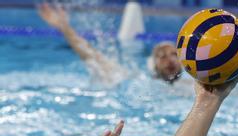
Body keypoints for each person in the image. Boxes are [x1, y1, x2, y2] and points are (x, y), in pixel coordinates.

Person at [37, 3, 182, 84]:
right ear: (154, 65)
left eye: (174, 54)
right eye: (162, 56)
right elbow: (91, 55)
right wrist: (64, 27)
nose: (170, 60)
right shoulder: (137, 81)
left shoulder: (192, 88)